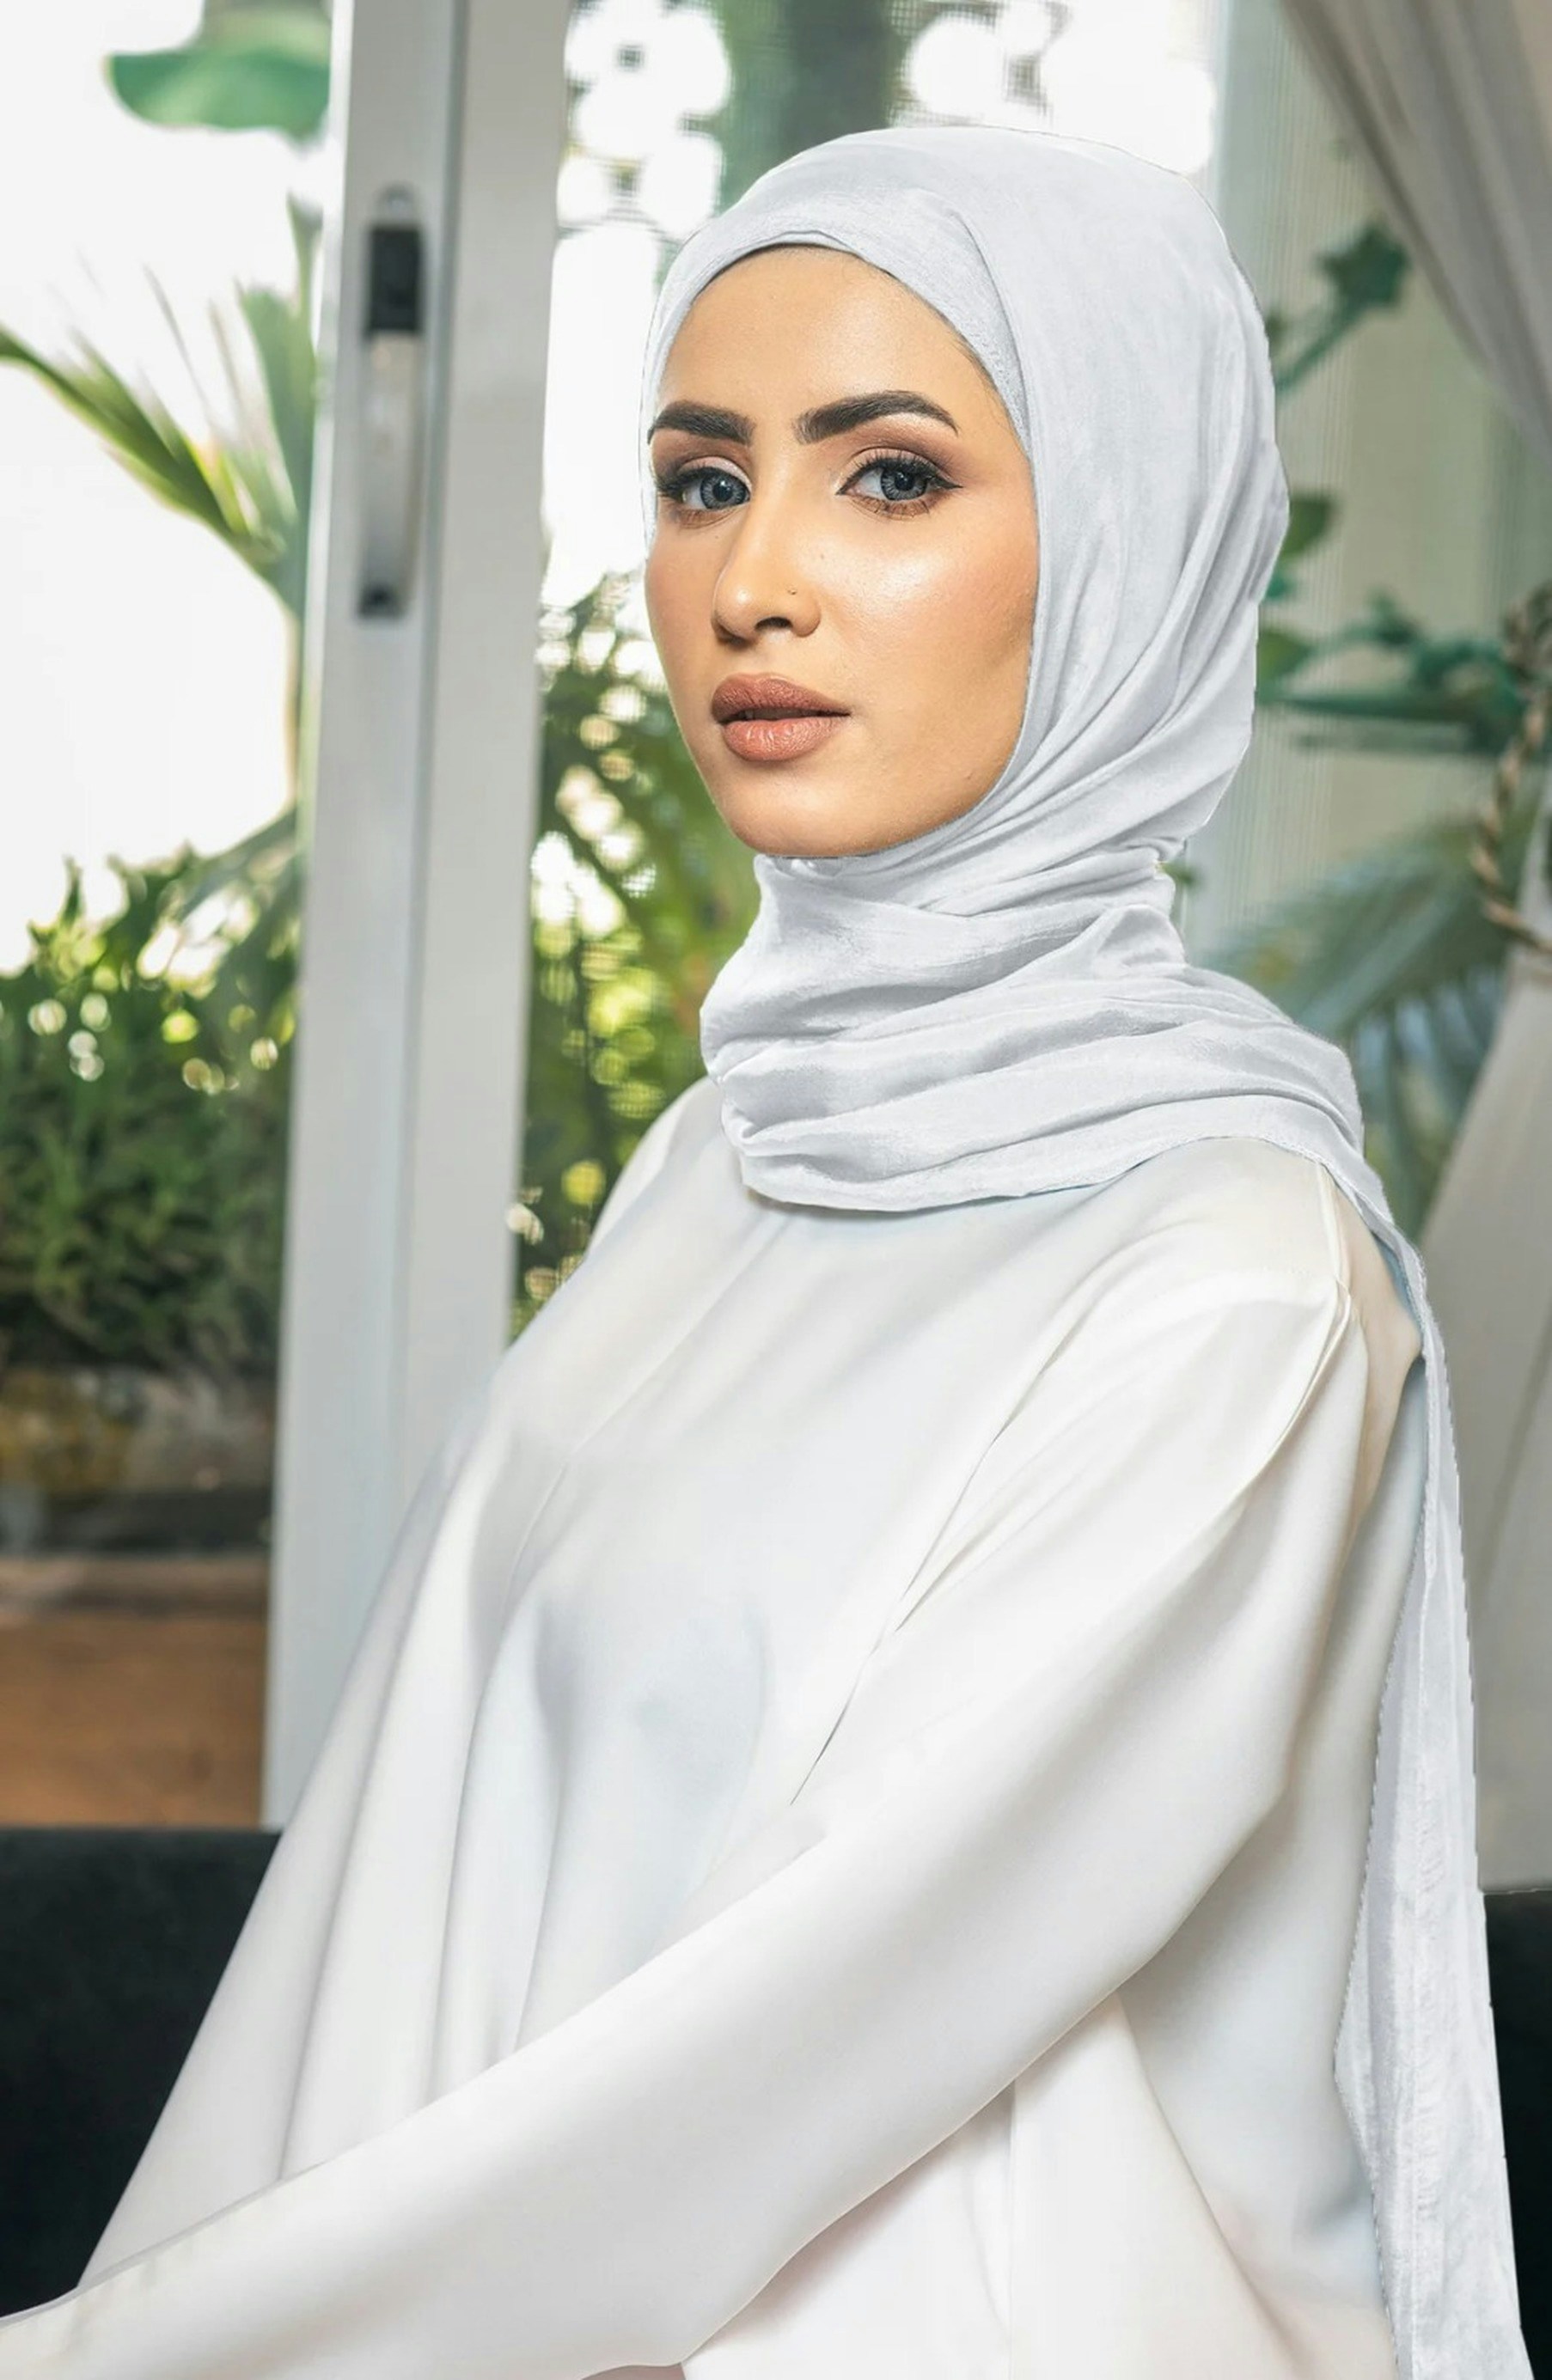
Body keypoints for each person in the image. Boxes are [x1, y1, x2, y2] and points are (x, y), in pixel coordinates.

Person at [0, 122, 1530, 2380]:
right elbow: (420, 1872)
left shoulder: (1233, 1271)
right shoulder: (734, 1149)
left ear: (1119, 548)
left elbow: (804, 2006)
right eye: (704, 480)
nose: (754, 583)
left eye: (890, 478)